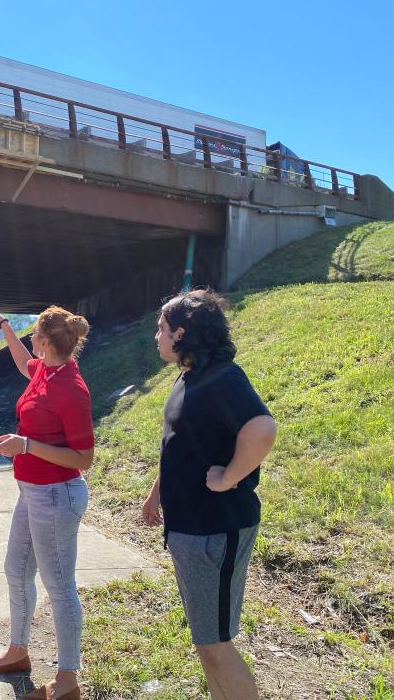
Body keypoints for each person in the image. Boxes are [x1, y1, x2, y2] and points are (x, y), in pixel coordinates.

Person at [142, 289, 276, 700]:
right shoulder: (190, 375)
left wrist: (230, 476)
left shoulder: (223, 376)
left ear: (181, 332)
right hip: (191, 528)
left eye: (161, 329)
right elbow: (184, 443)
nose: (156, 336)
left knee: (215, 644)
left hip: (215, 529)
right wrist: (155, 495)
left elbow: (262, 429)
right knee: (207, 640)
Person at [0, 300, 94, 700]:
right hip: (33, 492)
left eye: (32, 336)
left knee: (60, 587)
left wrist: (26, 445)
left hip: (58, 495)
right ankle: (18, 651)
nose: (30, 344)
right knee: (16, 570)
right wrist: (5, 325)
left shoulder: (71, 388)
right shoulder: (45, 370)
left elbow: (83, 459)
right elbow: (21, 360)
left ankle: (67, 682)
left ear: (43, 339)